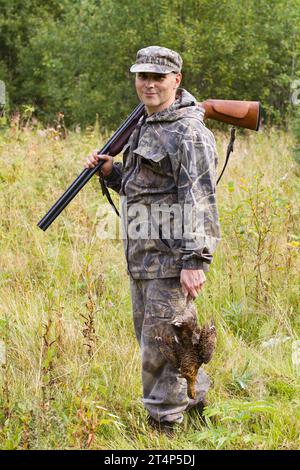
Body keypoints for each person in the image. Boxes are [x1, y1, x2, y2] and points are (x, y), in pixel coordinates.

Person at [85, 46, 221, 434]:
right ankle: (195, 405)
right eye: (143, 76)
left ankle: (164, 428)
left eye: (158, 77)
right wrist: (113, 172)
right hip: (143, 257)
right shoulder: (147, 123)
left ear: (176, 81)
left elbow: (199, 198)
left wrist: (195, 261)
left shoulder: (188, 131)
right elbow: (142, 185)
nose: (149, 84)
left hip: (171, 260)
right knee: (173, 339)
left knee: (161, 348)